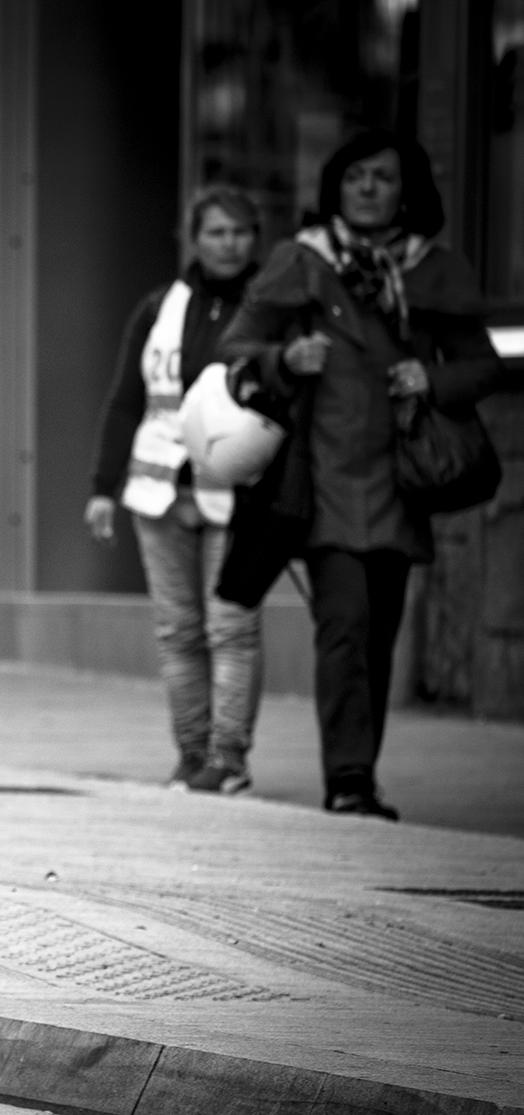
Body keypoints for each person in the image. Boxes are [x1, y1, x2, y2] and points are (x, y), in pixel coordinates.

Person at [218, 130, 501, 819]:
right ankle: (347, 780)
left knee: (378, 635)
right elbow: (236, 347)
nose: (368, 189)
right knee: (343, 626)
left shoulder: (435, 269)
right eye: (355, 177)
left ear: (409, 191)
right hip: (321, 481)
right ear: (335, 187)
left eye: (383, 177)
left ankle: (360, 773)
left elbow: (486, 366)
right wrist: (288, 358)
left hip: (401, 483)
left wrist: (431, 377)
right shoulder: (303, 260)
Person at [85, 186, 265, 794]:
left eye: (239, 232)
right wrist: (102, 487)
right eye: (216, 232)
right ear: (195, 238)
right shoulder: (158, 307)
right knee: (178, 632)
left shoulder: (273, 307)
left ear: (255, 238)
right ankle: (191, 758)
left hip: (239, 493)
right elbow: (125, 400)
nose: (228, 243)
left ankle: (229, 758)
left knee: (232, 628)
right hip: (158, 489)